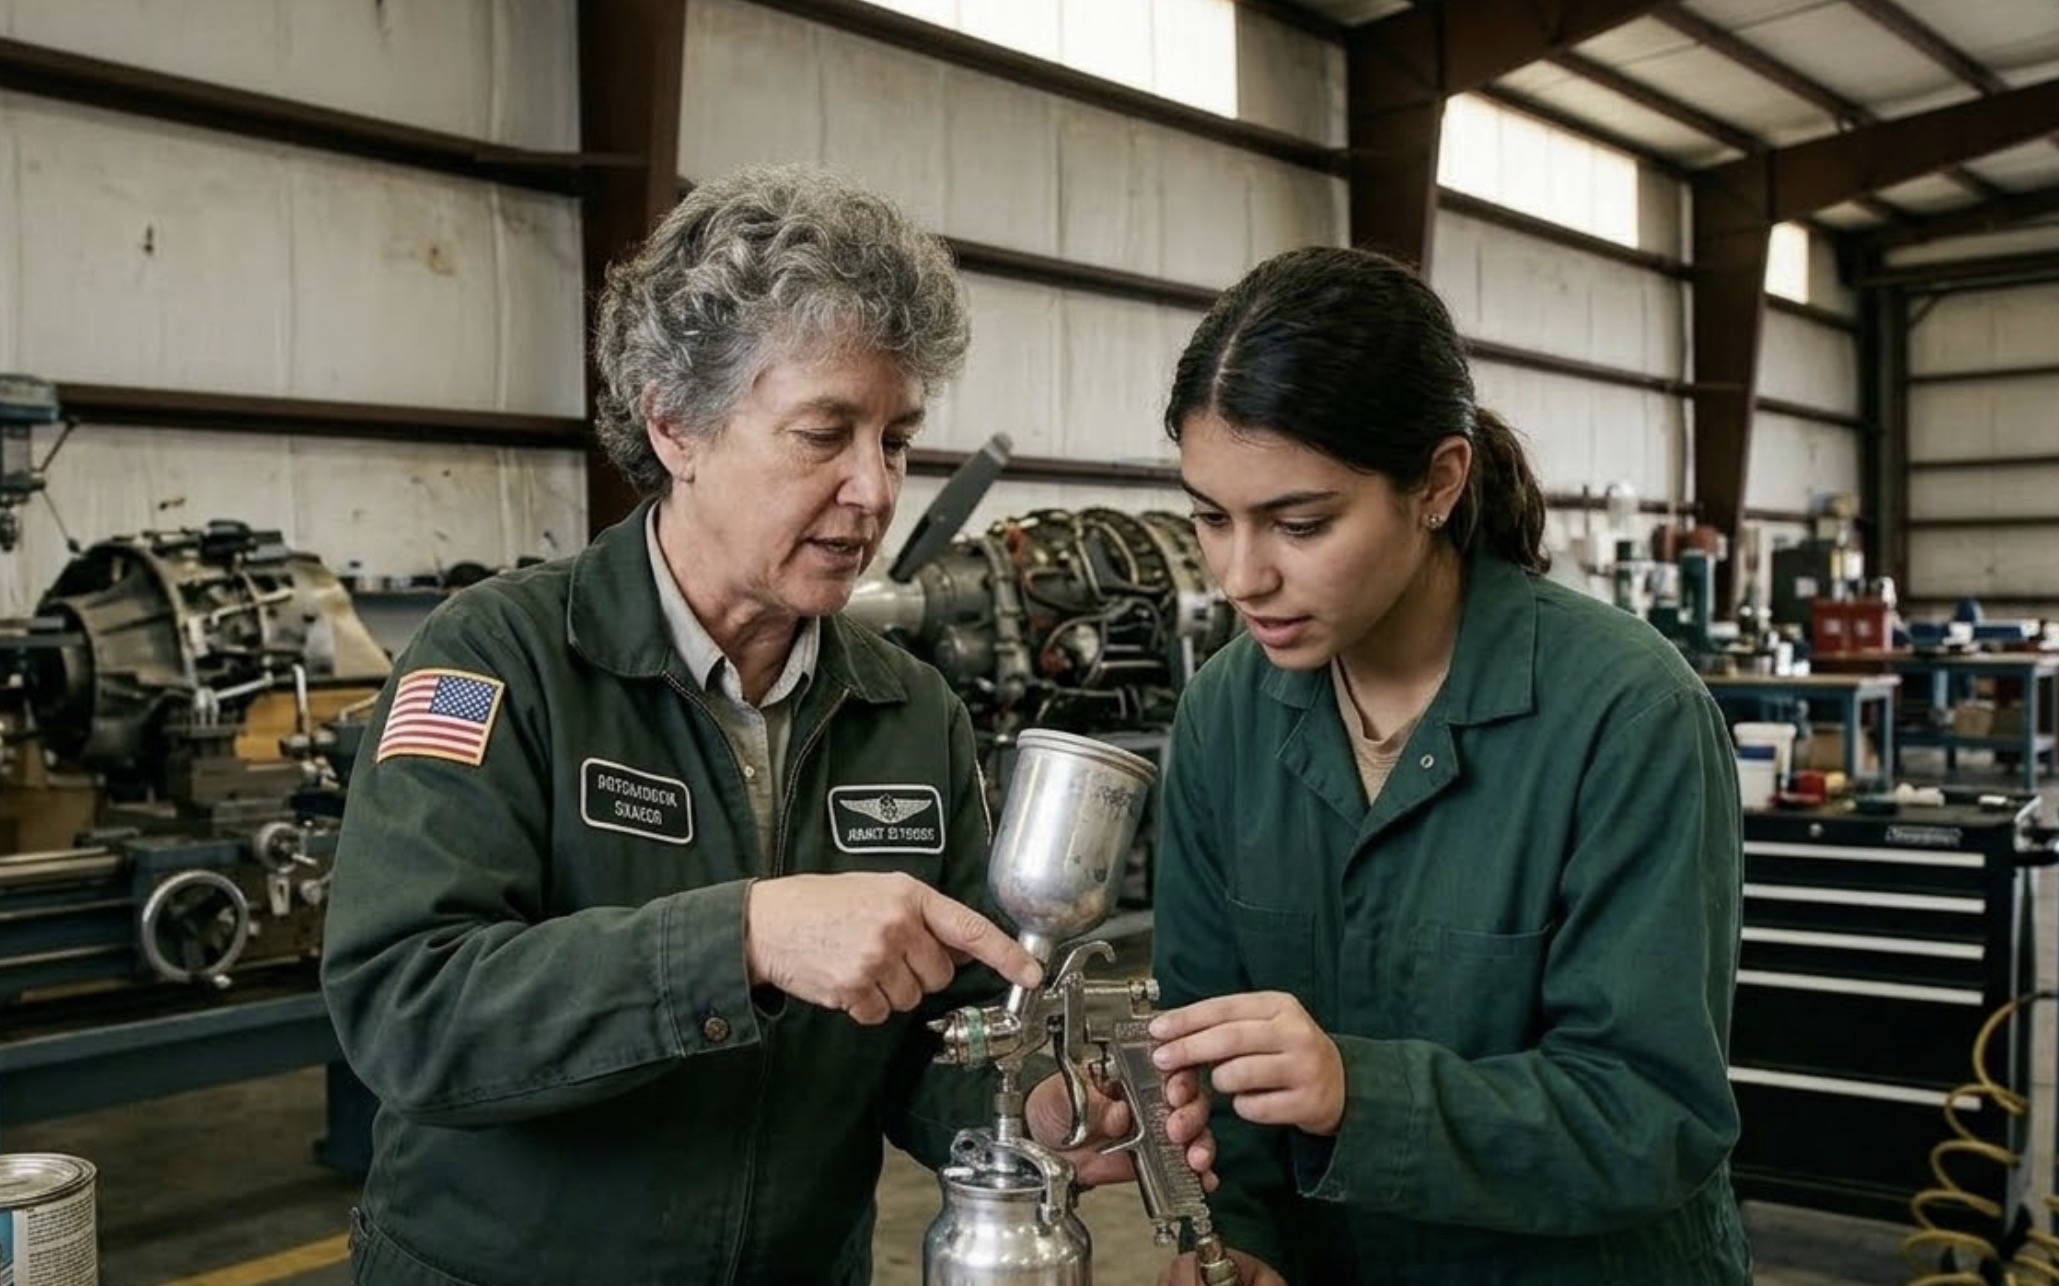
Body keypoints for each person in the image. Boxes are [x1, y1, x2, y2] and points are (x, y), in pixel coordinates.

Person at [321, 164, 1210, 1286]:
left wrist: (1033, 1103)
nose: (875, 489)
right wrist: (741, 938)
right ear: (675, 424)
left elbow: (941, 1031)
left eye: (894, 438)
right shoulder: (491, 662)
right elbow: (411, 1007)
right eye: (822, 432)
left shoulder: (908, 708)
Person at [1142, 245, 1748, 1285]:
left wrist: (1353, 1091)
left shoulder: (1624, 713)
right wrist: (1234, 1235)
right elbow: (1206, 1062)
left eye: (1299, 521)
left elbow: (1651, 1110)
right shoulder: (1222, 717)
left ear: (1435, 480)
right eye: (1208, 516)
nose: (1241, 574)